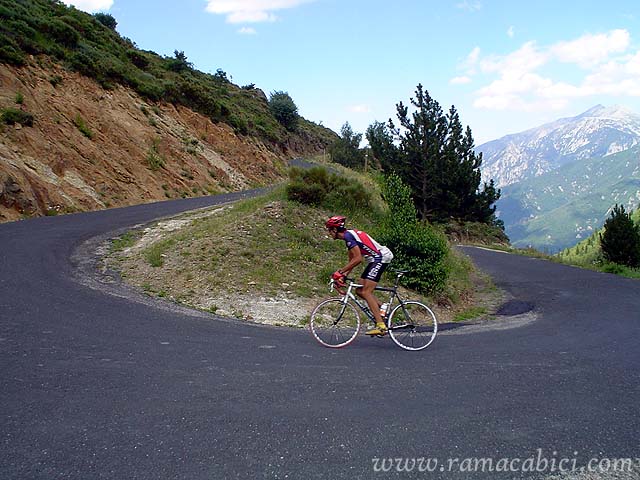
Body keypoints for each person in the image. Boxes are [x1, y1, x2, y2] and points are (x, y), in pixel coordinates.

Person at [325, 215, 394, 336]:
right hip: (374, 259)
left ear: (335, 230)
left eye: (329, 230)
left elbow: (357, 259)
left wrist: (339, 272)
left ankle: (381, 326)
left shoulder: (348, 237)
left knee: (367, 292)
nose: (329, 233)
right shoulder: (349, 237)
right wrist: (344, 276)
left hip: (380, 257)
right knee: (360, 291)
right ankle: (382, 307)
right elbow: (352, 261)